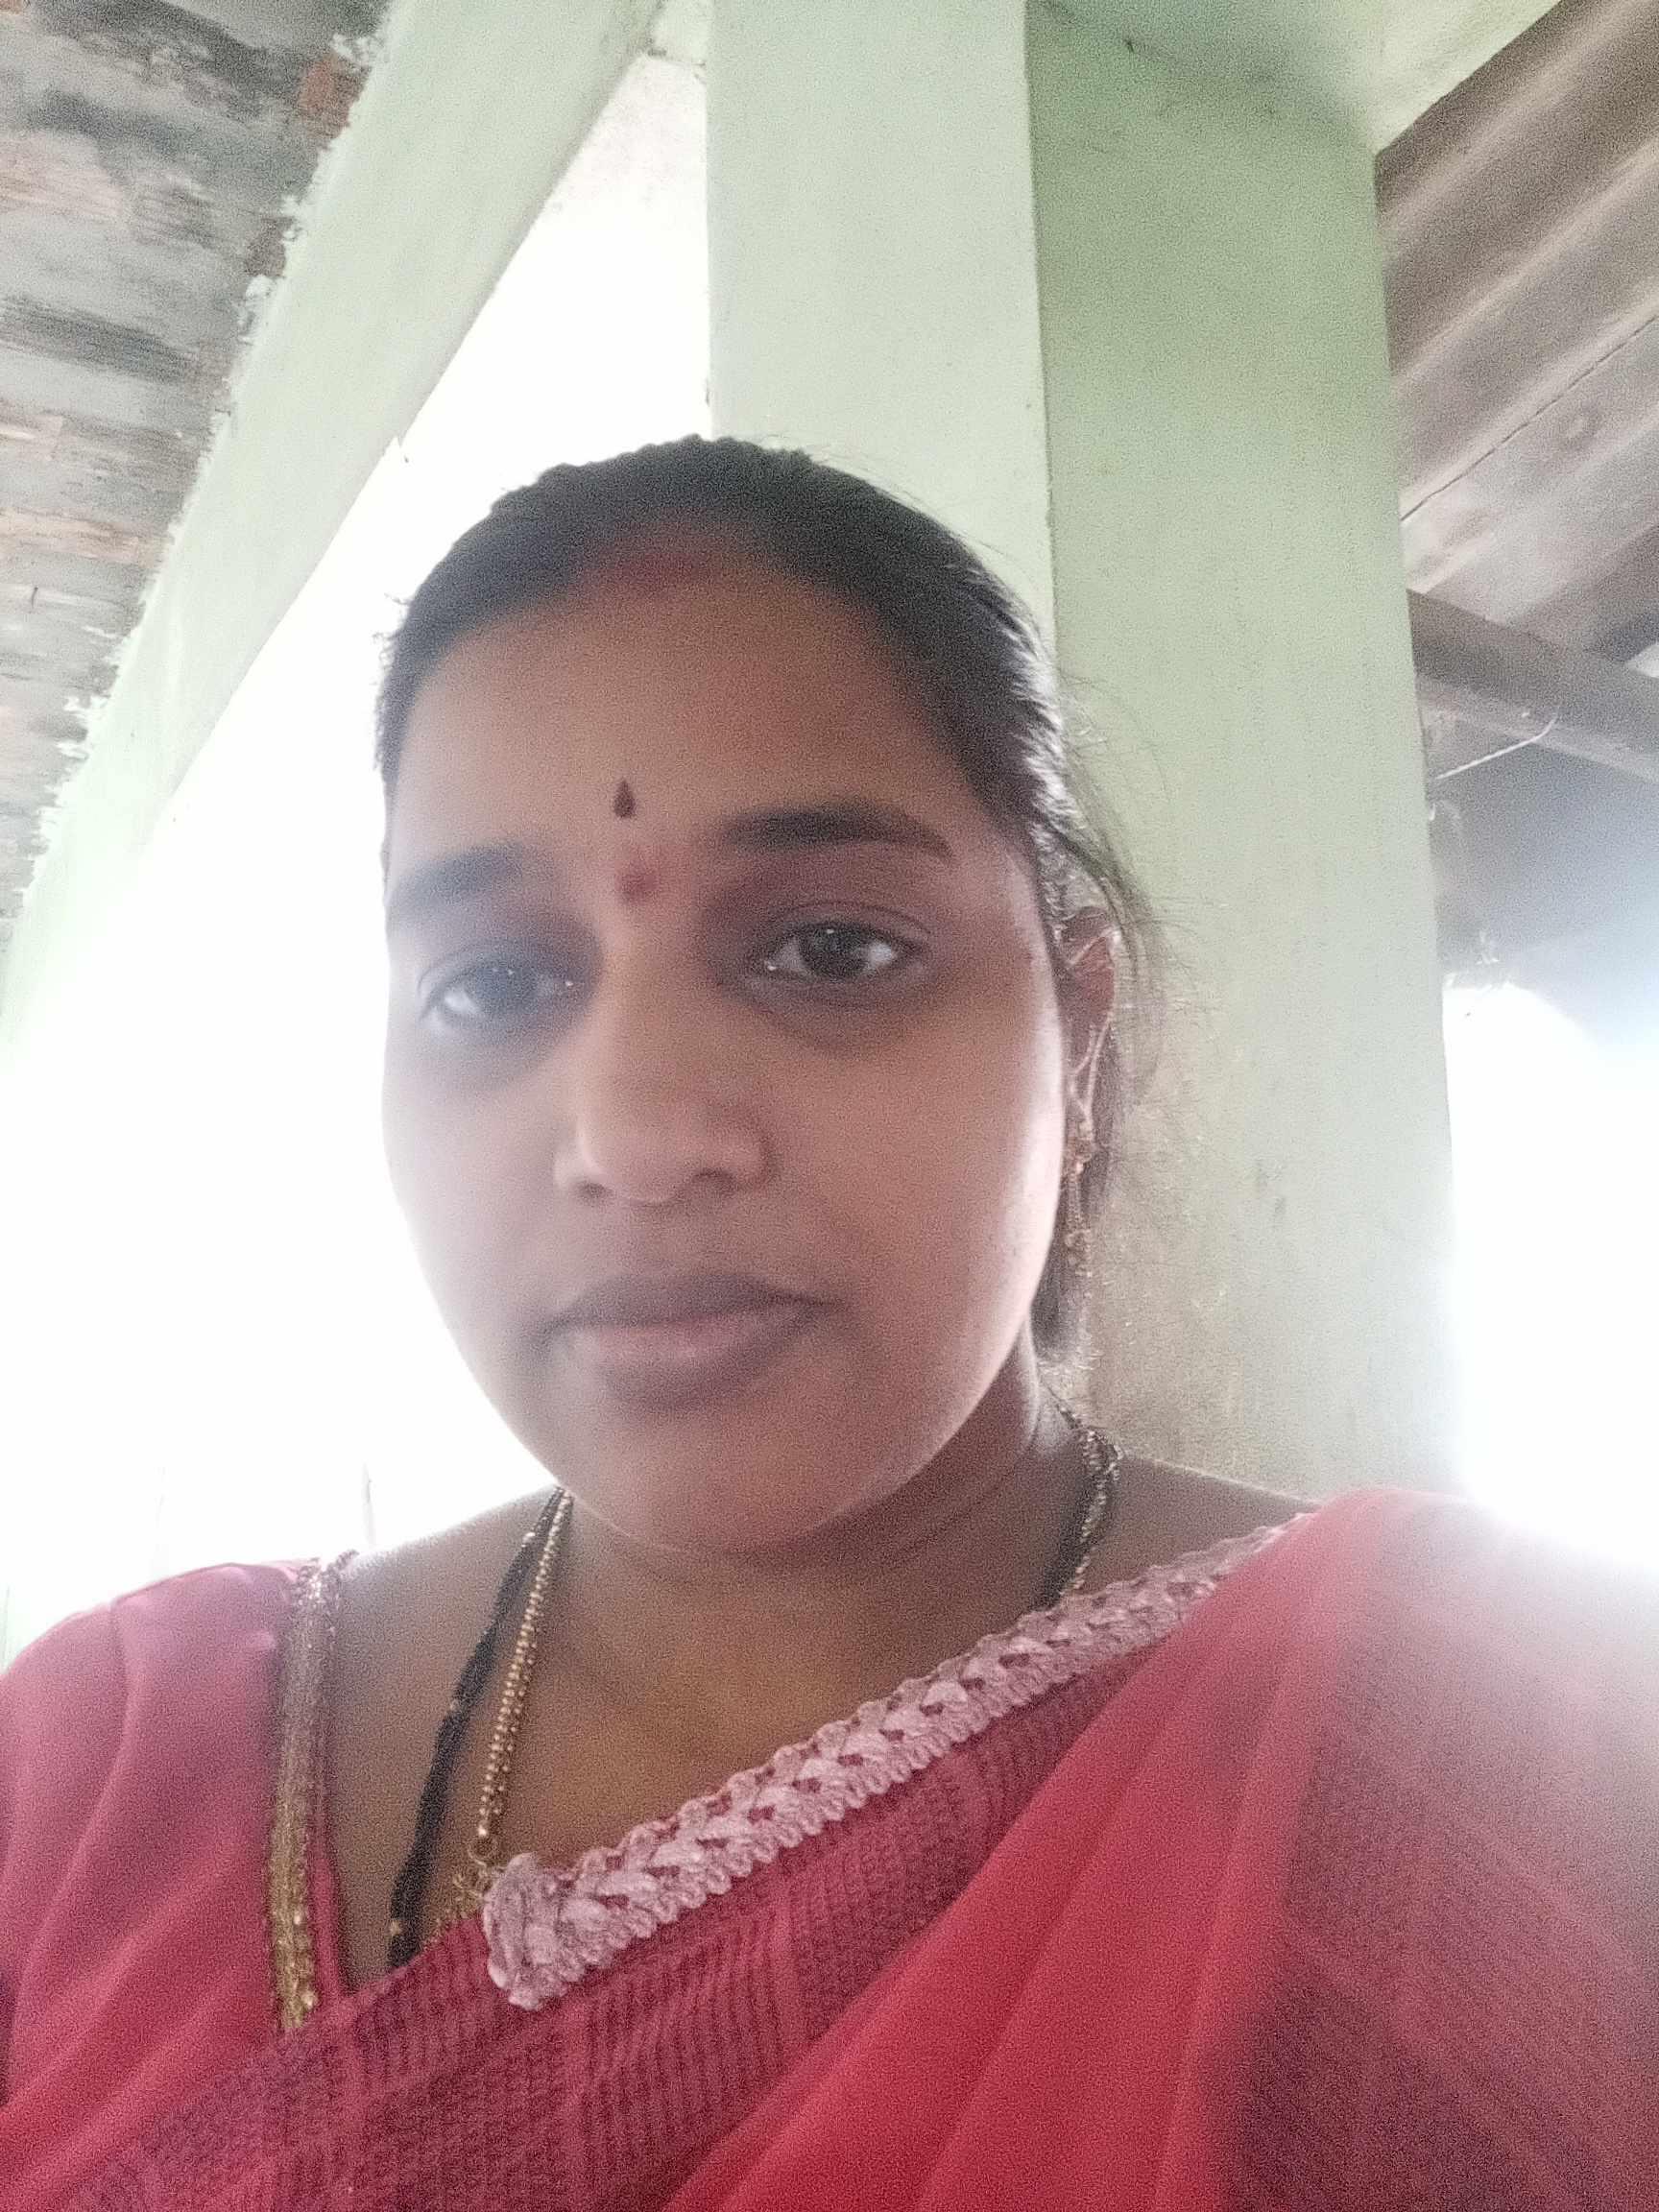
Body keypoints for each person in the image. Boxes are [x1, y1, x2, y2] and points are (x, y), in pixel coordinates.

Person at [0, 438, 1653, 2210]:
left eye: (833, 952)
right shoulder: (100, 1777)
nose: (638, 1136)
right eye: (494, 983)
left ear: (1081, 1043)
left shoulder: (1524, 1752)